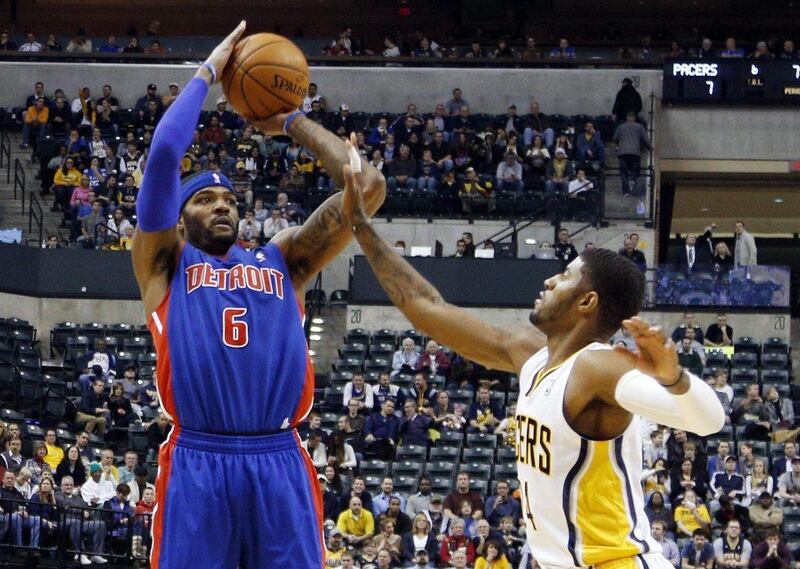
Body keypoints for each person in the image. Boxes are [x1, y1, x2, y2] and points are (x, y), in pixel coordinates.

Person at [341, 139, 725, 569]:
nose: (548, 281)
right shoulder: (531, 355)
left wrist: (675, 377)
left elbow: (708, 420)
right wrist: (359, 223)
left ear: (587, 303)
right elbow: (427, 310)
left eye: (564, 278)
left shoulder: (598, 366)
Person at [130, 22, 385, 568]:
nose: (221, 206)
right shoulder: (165, 264)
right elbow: (162, 158)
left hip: (279, 459)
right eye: (205, 200)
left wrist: (289, 119)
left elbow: (367, 188)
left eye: (229, 199)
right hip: (199, 459)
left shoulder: (283, 260)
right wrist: (209, 70)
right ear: (180, 217)